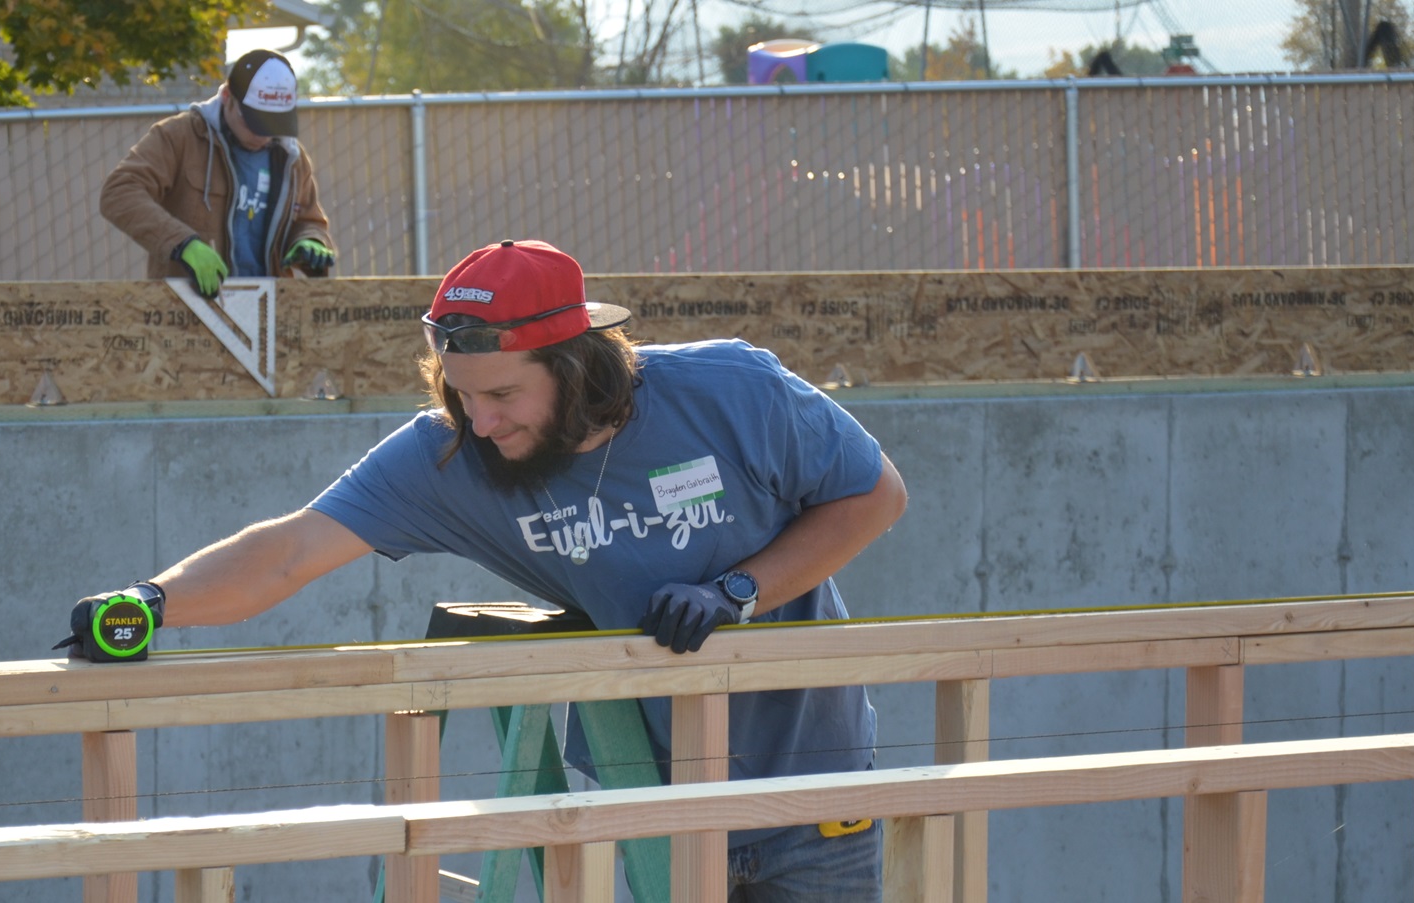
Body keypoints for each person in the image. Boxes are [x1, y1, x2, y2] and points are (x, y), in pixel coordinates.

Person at [73, 240, 908, 900]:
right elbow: (287, 552)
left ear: (578, 366)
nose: (479, 418)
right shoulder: (452, 455)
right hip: (660, 803)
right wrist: (148, 602)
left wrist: (739, 591)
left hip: (816, 789)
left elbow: (874, 496)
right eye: (461, 394)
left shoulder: (731, 389)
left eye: (502, 395)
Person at [98, 48, 335, 299]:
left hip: (268, 306)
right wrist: (182, 244)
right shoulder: (180, 137)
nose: (262, 135)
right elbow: (119, 191)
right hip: (193, 305)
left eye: (272, 124)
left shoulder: (290, 158)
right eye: (254, 122)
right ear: (226, 97)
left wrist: (311, 241)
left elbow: (308, 221)